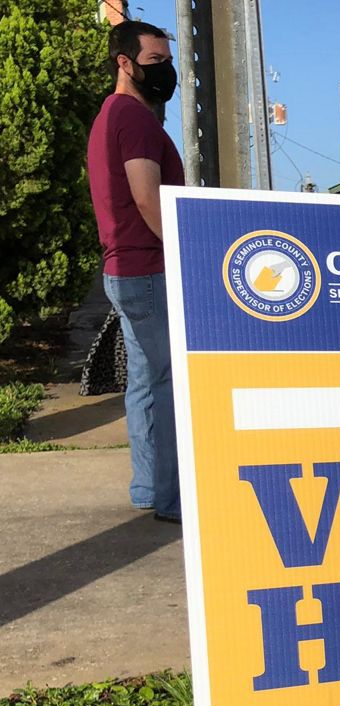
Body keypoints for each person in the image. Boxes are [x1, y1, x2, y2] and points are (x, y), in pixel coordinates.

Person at [87, 21, 184, 522]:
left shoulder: (112, 114)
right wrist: (184, 253)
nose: (164, 71)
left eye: (167, 61)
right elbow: (147, 197)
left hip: (127, 267)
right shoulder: (137, 119)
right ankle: (168, 497)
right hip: (148, 267)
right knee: (162, 384)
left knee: (147, 382)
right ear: (124, 63)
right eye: (153, 63)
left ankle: (151, 488)